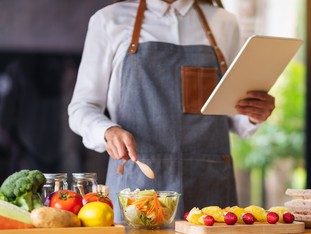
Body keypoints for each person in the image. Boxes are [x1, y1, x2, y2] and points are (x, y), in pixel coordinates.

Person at [68, 0, 275, 222]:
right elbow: (82, 108)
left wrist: (254, 113)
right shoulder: (109, 20)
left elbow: (235, 116)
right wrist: (108, 131)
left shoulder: (225, 23)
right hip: (138, 188)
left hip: (210, 189)